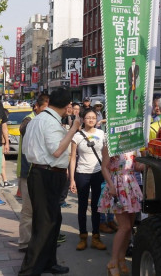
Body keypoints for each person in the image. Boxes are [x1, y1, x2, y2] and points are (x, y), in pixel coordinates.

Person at [19, 88, 79, 276]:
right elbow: (57, 150)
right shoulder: (50, 123)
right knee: (45, 224)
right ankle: (29, 270)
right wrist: (74, 129)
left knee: (52, 220)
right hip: (47, 174)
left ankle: (48, 262)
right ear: (67, 105)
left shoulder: (37, 119)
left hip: (40, 172)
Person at [99, 148, 144, 276]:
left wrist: (147, 160)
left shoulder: (133, 144)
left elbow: (136, 167)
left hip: (131, 185)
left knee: (129, 228)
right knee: (125, 226)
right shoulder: (111, 143)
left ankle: (121, 258)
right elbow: (104, 167)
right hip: (118, 185)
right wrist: (111, 186)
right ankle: (112, 261)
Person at [69, 108, 107, 251]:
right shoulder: (77, 136)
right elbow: (72, 158)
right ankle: (83, 237)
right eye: (88, 117)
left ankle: (96, 237)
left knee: (97, 207)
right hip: (82, 173)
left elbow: (105, 154)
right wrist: (72, 179)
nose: (91, 120)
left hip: (98, 173)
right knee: (82, 206)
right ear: (83, 119)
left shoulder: (101, 134)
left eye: (93, 117)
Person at [17, 94, 49, 253]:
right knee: (28, 210)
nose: (47, 111)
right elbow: (23, 130)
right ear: (36, 106)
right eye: (45, 108)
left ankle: (37, 241)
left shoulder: (47, 121)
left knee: (40, 210)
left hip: (43, 172)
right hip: (28, 171)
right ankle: (24, 242)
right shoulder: (28, 120)